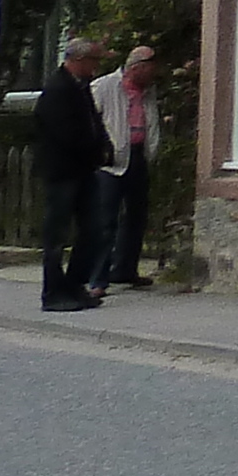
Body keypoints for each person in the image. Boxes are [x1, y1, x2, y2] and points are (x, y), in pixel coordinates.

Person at [32, 37, 112, 311]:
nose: (96, 67)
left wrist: (104, 144)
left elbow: (93, 120)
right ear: (78, 61)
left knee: (93, 229)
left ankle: (75, 285)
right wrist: (91, 149)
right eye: (93, 61)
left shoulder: (81, 87)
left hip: (84, 170)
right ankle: (53, 292)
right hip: (63, 171)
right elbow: (64, 132)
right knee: (57, 233)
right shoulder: (58, 89)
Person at [88, 44, 158, 295]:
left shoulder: (148, 91)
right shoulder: (105, 87)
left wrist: (151, 149)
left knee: (136, 218)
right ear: (136, 68)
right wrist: (98, 151)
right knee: (106, 220)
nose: (153, 74)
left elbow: (149, 121)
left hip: (138, 156)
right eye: (150, 69)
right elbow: (88, 122)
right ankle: (98, 278)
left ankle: (125, 269)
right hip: (110, 162)